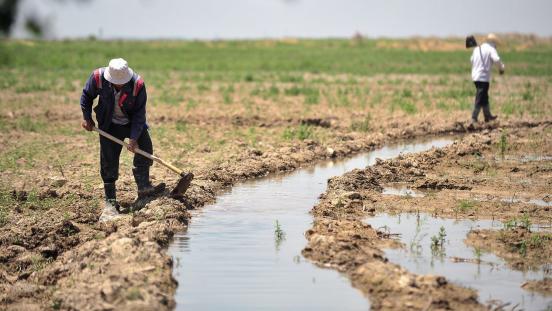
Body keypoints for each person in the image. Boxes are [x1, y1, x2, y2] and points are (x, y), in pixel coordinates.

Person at [80, 58, 165, 217]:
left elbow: (140, 114)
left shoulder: (138, 84)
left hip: (132, 122)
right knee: (108, 161)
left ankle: (144, 192)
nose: (119, 84)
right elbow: (86, 96)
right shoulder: (97, 78)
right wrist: (87, 117)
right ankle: (111, 203)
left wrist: (133, 139)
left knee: (145, 150)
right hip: (108, 124)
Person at [470, 33, 505, 124]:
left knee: (484, 96)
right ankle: (474, 118)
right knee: (480, 97)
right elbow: (496, 59)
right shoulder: (491, 49)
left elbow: (472, 60)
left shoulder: (477, 48)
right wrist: (501, 69)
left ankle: (487, 116)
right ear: (494, 42)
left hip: (475, 76)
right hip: (483, 77)